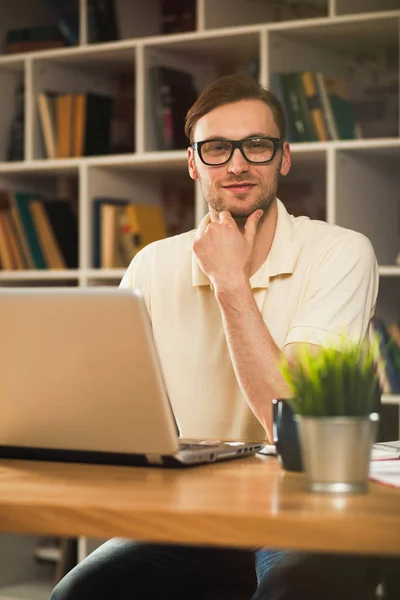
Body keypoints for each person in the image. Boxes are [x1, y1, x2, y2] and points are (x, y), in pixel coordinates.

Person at [50, 73, 380, 600]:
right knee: (77, 595)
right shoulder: (152, 264)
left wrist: (231, 281)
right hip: (193, 512)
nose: (237, 163)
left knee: (292, 590)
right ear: (192, 162)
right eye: (216, 148)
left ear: (283, 158)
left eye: (257, 145)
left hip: (303, 509)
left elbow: (292, 417)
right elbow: (108, 409)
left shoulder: (341, 253)